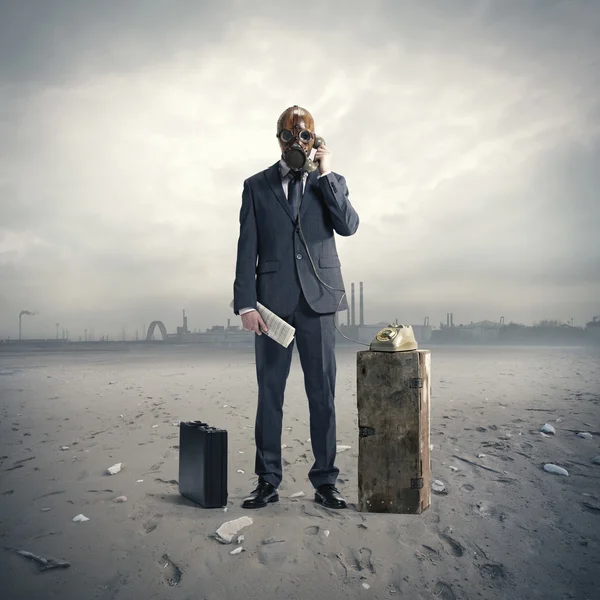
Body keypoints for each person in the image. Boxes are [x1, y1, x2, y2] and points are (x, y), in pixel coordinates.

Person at [232, 105, 359, 509]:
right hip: (272, 305)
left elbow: (348, 225)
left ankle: (325, 482)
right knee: (270, 393)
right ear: (278, 139)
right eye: (289, 135)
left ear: (315, 141)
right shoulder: (256, 186)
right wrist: (244, 303)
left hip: (318, 303)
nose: (296, 143)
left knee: (322, 393)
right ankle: (267, 481)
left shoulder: (328, 183)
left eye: (305, 136)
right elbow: (246, 247)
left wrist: (326, 173)